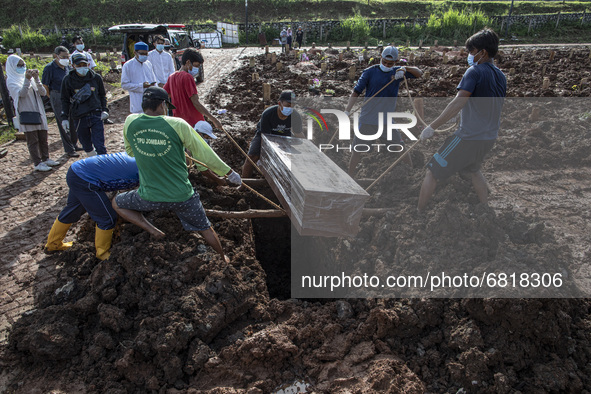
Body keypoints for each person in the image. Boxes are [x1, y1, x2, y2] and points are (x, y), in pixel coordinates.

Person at [112, 87, 242, 263]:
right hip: (182, 196)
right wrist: (229, 172)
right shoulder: (178, 124)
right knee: (206, 229)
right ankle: (222, 258)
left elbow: (131, 151)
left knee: (117, 203)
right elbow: (203, 153)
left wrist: (152, 148)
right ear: (162, 104)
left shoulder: (130, 122)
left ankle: (153, 230)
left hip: (149, 197)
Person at [418, 28, 506, 212]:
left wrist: (432, 127)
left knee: (432, 170)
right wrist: (458, 117)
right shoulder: (500, 76)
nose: (469, 55)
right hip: (488, 137)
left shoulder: (474, 71)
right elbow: (484, 104)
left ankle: (418, 212)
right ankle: (486, 210)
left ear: (483, 52)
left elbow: (458, 101)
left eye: (471, 51)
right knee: (473, 170)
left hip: (467, 138)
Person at [344, 46, 423, 176]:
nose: (386, 65)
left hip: (386, 121)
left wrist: (404, 68)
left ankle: (412, 175)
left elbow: (419, 73)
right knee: (357, 150)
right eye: (384, 62)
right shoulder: (370, 72)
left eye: (390, 64)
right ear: (381, 58)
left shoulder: (398, 71)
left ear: (395, 62)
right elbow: (356, 91)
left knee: (399, 146)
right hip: (368, 119)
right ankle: (350, 176)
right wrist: (347, 111)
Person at [45, 152, 139, 260]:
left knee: (73, 209)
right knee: (107, 217)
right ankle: (102, 253)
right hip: (86, 179)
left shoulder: (139, 158)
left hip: (76, 171)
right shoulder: (146, 170)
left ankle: (53, 244)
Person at [6, 55, 59, 171]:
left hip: (38, 110)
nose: (22, 67)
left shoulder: (30, 80)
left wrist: (36, 79)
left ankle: (46, 158)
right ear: (12, 66)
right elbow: (21, 94)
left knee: (43, 137)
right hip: (27, 112)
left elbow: (43, 92)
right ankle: (37, 162)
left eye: (23, 65)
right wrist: (27, 79)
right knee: (33, 140)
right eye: (18, 65)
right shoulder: (11, 81)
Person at [242, 90, 303, 178]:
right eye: (288, 105)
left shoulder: (296, 116)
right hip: (265, 134)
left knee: (295, 155)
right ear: (280, 103)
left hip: (284, 135)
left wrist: (307, 146)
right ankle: (244, 183)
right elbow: (266, 138)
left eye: (292, 106)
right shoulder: (268, 114)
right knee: (252, 157)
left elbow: (299, 134)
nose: (290, 108)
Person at [61, 53, 109, 156]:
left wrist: (104, 109)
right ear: (73, 66)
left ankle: (104, 166)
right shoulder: (68, 80)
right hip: (79, 116)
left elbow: (102, 95)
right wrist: (64, 117)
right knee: (86, 144)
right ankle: (93, 160)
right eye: (79, 66)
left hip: (95, 114)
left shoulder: (96, 78)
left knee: (100, 144)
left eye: (84, 65)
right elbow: (64, 99)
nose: (82, 68)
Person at [163, 48, 222, 130]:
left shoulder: (172, 77)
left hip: (179, 122)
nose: (197, 69)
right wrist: (214, 120)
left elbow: (165, 95)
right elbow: (195, 102)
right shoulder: (187, 77)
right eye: (196, 66)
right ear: (188, 62)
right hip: (193, 122)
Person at [42, 46, 80, 157]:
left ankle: (74, 144)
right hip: (57, 95)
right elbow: (45, 85)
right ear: (56, 56)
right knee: (64, 122)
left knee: (73, 120)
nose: (66, 59)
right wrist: (52, 97)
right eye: (63, 57)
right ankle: (69, 149)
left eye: (67, 57)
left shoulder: (66, 67)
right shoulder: (49, 68)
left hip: (69, 96)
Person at [121, 41, 157, 114]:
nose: (144, 55)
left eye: (146, 54)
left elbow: (153, 80)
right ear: (135, 53)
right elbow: (124, 85)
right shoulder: (128, 65)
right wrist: (141, 86)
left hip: (150, 101)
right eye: (142, 54)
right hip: (137, 103)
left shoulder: (148, 64)